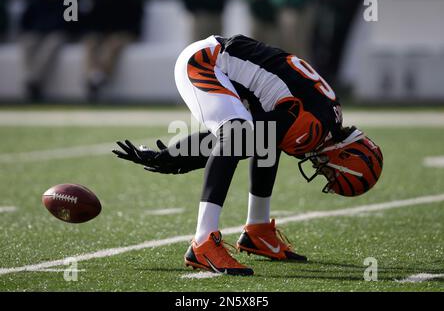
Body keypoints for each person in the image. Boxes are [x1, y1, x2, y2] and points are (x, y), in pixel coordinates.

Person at [113, 34, 383, 276]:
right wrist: (174, 156)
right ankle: (203, 241)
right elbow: (236, 141)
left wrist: (178, 157)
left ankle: (258, 229)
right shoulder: (311, 128)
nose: (322, 171)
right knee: (241, 133)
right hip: (205, 63)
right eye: (331, 172)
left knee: (265, 139)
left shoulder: (329, 118)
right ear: (344, 156)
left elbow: (263, 138)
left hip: (225, 61)